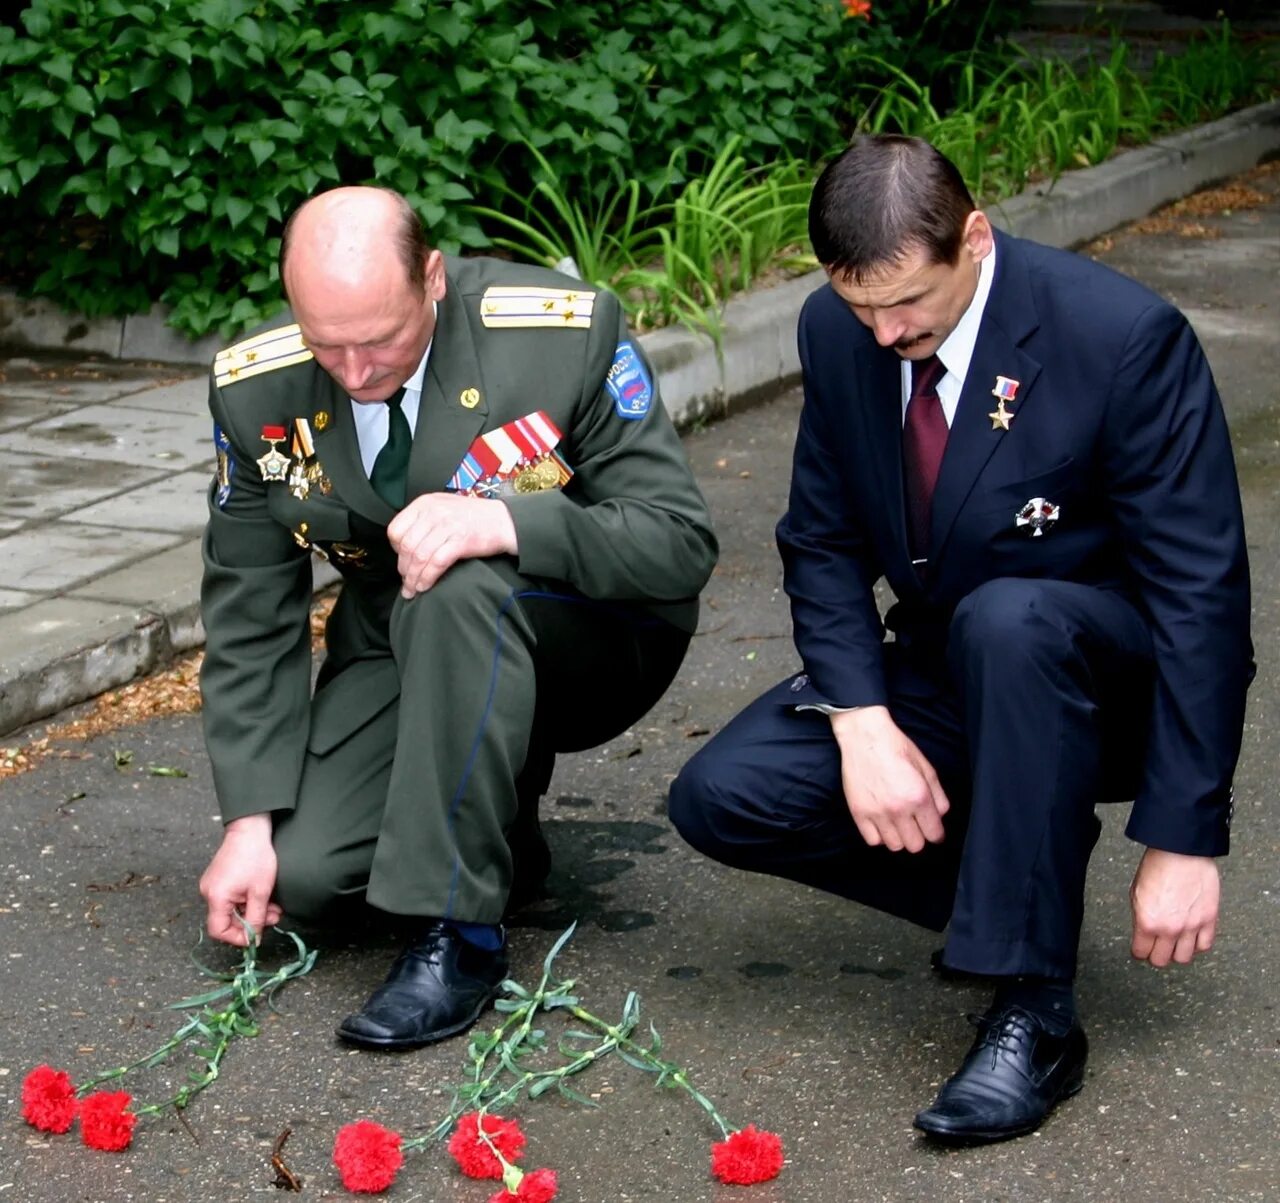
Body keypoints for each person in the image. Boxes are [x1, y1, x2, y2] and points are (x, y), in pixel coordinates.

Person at [668, 135, 1252, 1142]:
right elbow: (819, 539)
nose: (884, 332)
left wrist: (1182, 835)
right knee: (724, 796)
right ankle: (1021, 887)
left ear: (972, 238)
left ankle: (1032, 1004)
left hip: (1100, 678)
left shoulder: (1118, 339)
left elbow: (1200, 597)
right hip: (949, 662)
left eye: (906, 304)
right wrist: (859, 722)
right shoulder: (839, 329)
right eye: (860, 308)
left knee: (1010, 615)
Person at [198, 186, 716, 1051]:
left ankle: (458, 935)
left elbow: (677, 543)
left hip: (590, 633)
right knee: (310, 878)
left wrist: (506, 521)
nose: (356, 372)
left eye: (379, 340)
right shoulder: (257, 394)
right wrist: (246, 824)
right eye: (327, 344)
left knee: (461, 578)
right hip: (409, 643)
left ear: (432, 278)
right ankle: (499, 826)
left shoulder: (559, 336)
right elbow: (251, 609)